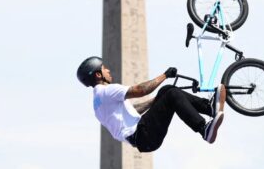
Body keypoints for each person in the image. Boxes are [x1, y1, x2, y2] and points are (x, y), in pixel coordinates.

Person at [77, 56, 226, 152]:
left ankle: (210, 108)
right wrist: (165, 75)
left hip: (143, 138)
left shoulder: (97, 104)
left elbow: (133, 110)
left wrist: (158, 100)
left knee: (167, 91)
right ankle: (204, 130)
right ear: (98, 74)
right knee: (171, 93)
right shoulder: (108, 91)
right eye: (104, 68)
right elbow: (140, 90)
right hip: (143, 134)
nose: (108, 70)